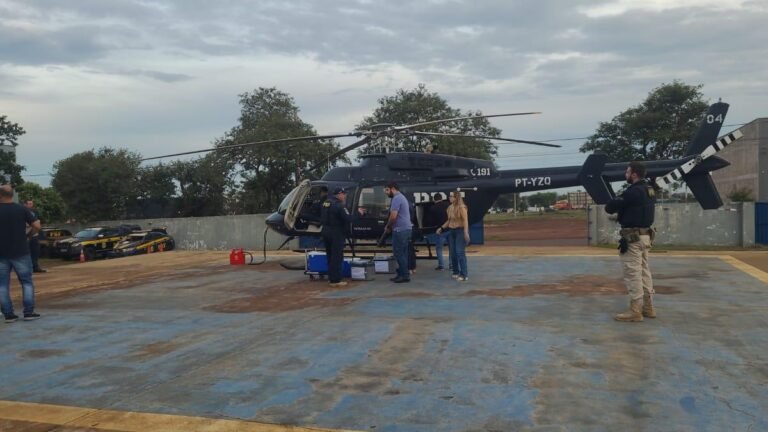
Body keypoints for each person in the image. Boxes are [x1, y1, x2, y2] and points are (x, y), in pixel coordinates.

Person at [605, 161, 657, 322]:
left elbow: (610, 207)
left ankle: (635, 311)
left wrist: (617, 204)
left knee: (632, 273)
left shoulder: (633, 191)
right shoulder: (649, 190)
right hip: (645, 236)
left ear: (634, 174)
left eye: (627, 172)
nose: (625, 175)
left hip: (633, 238)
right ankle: (648, 308)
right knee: (644, 272)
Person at [0, 184, 42, 322]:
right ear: (12, 195)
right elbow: (37, 226)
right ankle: (28, 313)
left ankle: (8, 314)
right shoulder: (21, 209)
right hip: (21, 252)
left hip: (1, 254)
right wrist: (29, 235)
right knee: (26, 282)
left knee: (2, 285)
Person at [320, 187, 352, 287]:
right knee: (337, 256)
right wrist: (359, 213)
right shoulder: (339, 205)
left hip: (325, 231)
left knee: (330, 255)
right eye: (344, 194)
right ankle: (336, 280)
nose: (345, 196)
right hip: (336, 232)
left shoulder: (326, 203)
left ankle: (331, 277)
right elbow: (347, 218)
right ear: (339, 194)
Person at [437, 191, 470, 281]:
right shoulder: (450, 208)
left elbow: (465, 220)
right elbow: (449, 221)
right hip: (452, 231)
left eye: (451, 196)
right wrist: (442, 228)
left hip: (460, 230)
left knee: (460, 252)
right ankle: (455, 271)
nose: (449, 198)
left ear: (456, 197)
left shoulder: (462, 208)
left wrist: (465, 232)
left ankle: (464, 274)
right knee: (453, 252)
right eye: (449, 196)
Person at [383, 182, 412, 283]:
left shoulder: (396, 198)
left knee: (398, 253)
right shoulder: (402, 197)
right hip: (405, 229)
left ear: (392, 188)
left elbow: (393, 216)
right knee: (403, 253)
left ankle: (404, 275)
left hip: (400, 230)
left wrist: (388, 226)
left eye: (387, 190)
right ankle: (401, 273)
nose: (386, 193)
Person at [425, 195, 450, 270]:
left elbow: (430, 221)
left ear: (434, 199)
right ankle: (452, 265)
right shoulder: (448, 205)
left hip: (440, 230)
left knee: (439, 248)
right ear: (441, 198)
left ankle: (441, 265)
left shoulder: (433, 208)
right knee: (451, 248)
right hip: (450, 229)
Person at [23, 199, 46, 273]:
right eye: (29, 204)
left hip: (34, 235)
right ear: (25, 204)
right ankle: (28, 268)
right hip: (25, 236)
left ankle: (35, 267)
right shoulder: (22, 212)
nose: (31, 205)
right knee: (26, 253)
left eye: (31, 204)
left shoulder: (34, 212)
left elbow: (37, 222)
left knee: (35, 252)